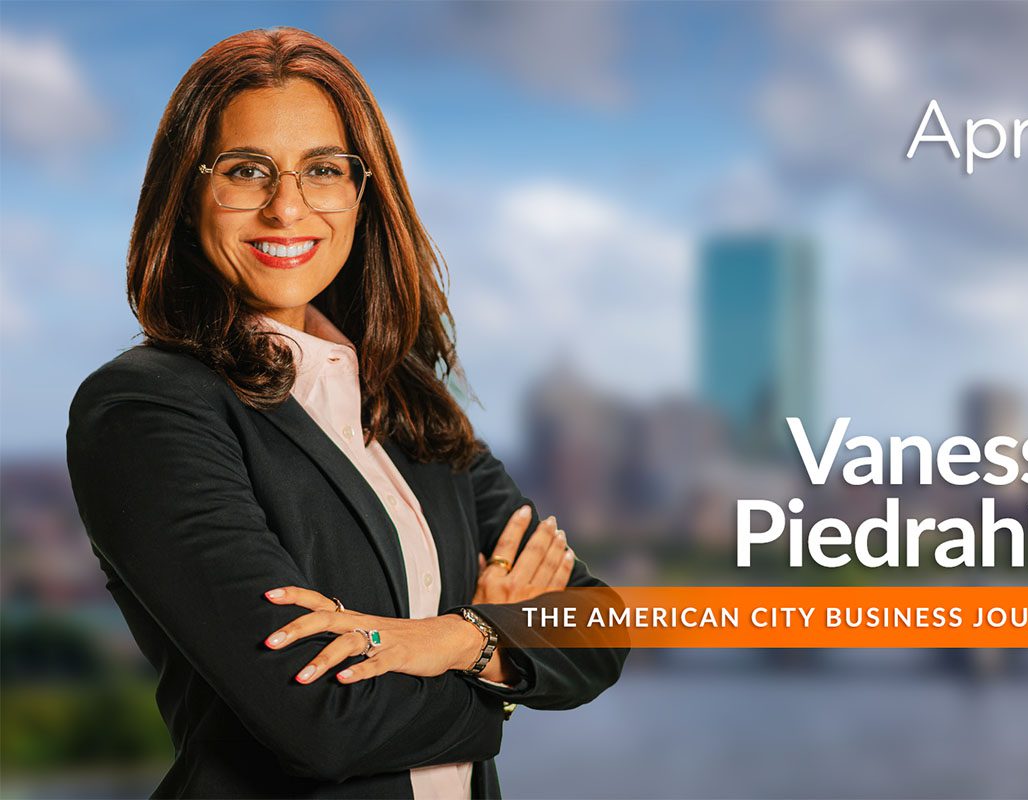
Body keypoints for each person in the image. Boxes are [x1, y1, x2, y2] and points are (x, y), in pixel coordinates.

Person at [65, 26, 627, 799]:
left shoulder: (409, 403)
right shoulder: (146, 410)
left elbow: (601, 626)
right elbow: (325, 721)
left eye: (322, 170)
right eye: (245, 170)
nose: (286, 206)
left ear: (362, 193)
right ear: (188, 194)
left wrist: (454, 637)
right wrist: (498, 668)